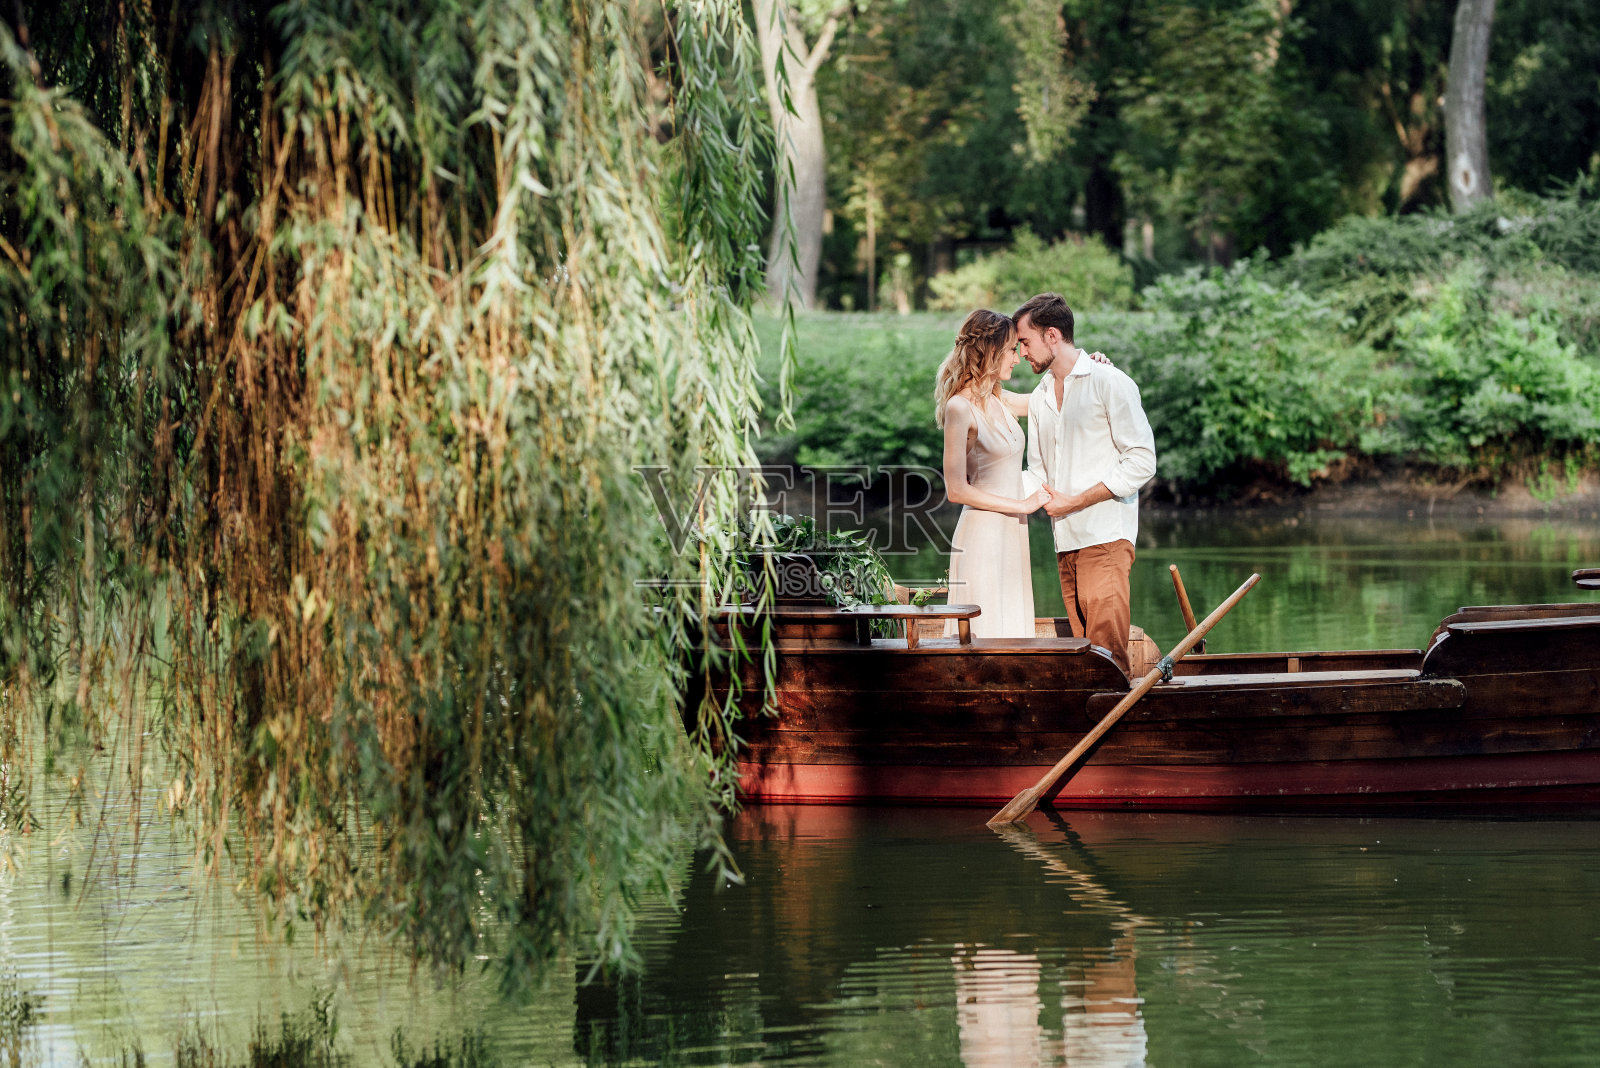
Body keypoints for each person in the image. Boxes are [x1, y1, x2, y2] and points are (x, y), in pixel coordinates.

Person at [1015, 292, 1156, 674]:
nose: (1022, 352)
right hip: (1065, 543)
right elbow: (1038, 473)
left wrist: (1075, 501)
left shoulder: (1109, 382)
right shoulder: (1041, 397)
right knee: (1087, 665)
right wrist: (990, 498)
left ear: (1052, 335)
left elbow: (1142, 461)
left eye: (1025, 342)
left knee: (1108, 662)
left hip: (1105, 538)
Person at [934, 309, 1048, 639]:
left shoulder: (1000, 399)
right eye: (1012, 349)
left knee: (1012, 628)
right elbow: (956, 490)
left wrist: (1089, 370)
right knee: (984, 633)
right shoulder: (959, 407)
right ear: (991, 350)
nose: (1018, 357)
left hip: (1012, 532)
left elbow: (1053, 402)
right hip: (982, 536)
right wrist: (1022, 505)